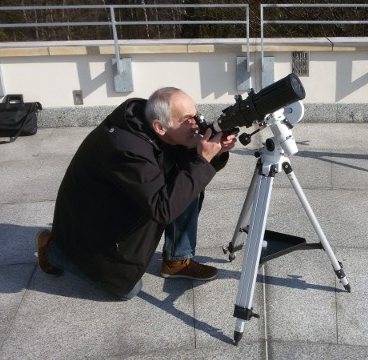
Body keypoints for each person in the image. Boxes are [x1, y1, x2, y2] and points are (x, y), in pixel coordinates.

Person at [35, 87, 236, 300]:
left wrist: (214, 153)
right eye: (187, 119)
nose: (196, 124)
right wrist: (202, 160)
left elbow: (186, 173)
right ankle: (54, 249)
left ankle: (177, 260)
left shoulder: (150, 122)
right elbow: (163, 210)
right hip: (93, 223)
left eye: (196, 115)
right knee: (127, 289)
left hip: (126, 199)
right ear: (160, 127)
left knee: (189, 183)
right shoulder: (126, 148)